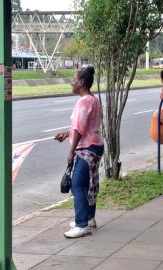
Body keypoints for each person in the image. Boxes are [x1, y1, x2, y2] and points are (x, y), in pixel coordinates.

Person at [54, 65, 104, 238]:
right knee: (89, 184)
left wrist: (71, 151)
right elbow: (84, 127)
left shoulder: (84, 102)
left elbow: (81, 128)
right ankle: (88, 218)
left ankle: (81, 224)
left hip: (86, 149)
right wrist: (67, 134)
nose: (71, 83)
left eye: (73, 80)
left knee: (77, 185)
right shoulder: (93, 99)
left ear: (81, 83)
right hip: (95, 146)